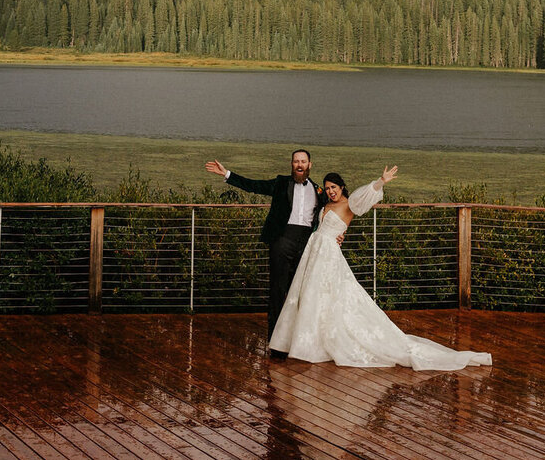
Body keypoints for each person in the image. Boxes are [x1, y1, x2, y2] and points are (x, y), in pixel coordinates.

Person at [270, 166, 492, 371]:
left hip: (328, 256)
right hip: (314, 252)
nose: (330, 191)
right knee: (313, 297)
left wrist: (380, 181)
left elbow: (365, 194)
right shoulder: (325, 204)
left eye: (334, 187)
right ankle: (308, 342)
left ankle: (320, 344)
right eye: (327, 188)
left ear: (342, 187)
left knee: (331, 298)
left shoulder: (350, 204)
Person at [205, 150, 323, 357]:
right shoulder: (280, 183)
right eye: (296, 161)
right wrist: (227, 174)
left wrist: (338, 233)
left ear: (310, 164)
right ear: (291, 164)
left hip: (306, 242)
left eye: (303, 161)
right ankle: (276, 344)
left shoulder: (318, 190)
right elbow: (254, 186)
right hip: (282, 239)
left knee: (303, 293)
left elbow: (334, 208)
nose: (299, 165)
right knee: (278, 291)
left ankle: (299, 343)